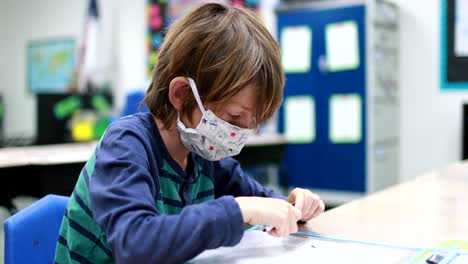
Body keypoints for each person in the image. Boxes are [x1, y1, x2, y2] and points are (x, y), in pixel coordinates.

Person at [54, 3, 325, 263]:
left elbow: (262, 201)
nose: (241, 133)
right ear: (182, 94)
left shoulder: (204, 157)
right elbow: (134, 244)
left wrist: (294, 206)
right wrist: (240, 210)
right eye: (234, 117)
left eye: (251, 122)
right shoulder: (126, 144)